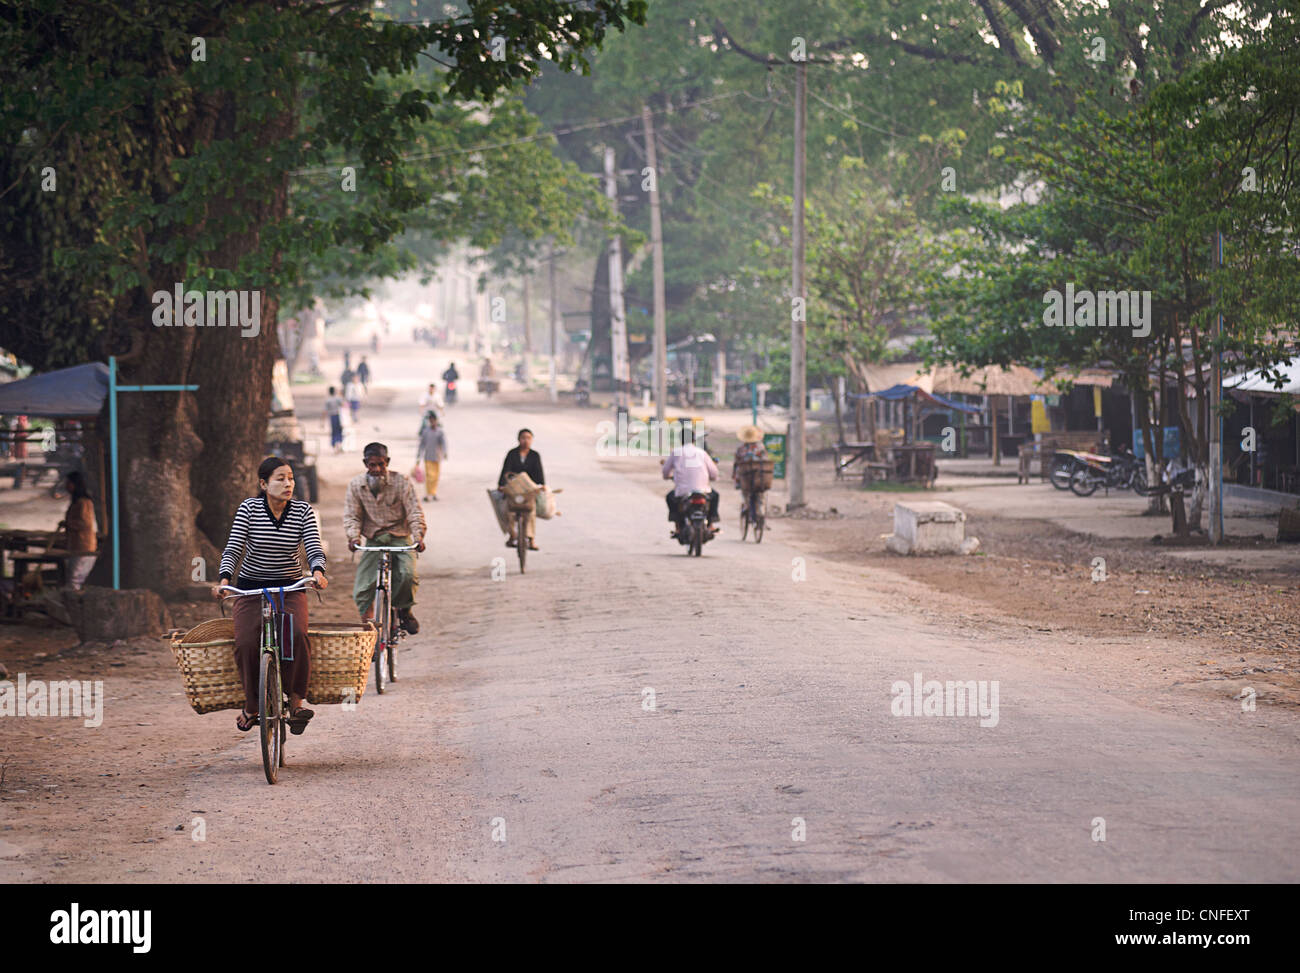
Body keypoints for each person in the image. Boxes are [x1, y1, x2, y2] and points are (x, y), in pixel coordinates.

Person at [214, 457, 328, 735]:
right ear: (263, 484)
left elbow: (313, 546)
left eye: (290, 478)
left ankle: (297, 701)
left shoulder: (303, 511)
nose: (287, 483)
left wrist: (318, 572)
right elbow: (233, 547)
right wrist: (224, 581)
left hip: (289, 587)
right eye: (280, 478)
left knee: (297, 636)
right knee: (245, 644)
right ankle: (252, 706)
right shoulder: (249, 509)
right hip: (251, 588)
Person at [344, 442, 426, 634]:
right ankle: (370, 634)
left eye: (381, 464)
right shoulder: (356, 485)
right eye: (373, 465)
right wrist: (353, 537)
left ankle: (404, 610)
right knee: (362, 589)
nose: (377, 469)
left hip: (400, 537)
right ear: (366, 464)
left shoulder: (402, 482)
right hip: (374, 540)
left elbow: (414, 510)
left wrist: (418, 536)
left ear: (387, 462)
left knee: (407, 575)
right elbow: (352, 516)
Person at [661, 425, 720, 537]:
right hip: (703, 490)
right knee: (715, 496)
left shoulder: (676, 452)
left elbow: (665, 470)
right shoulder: (702, 453)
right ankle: (711, 524)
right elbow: (714, 472)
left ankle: (678, 526)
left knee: (670, 498)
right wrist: (713, 478)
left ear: (680, 440)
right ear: (693, 439)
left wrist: (667, 476)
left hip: (683, 491)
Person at [497, 428, 544, 550]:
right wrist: (501, 485)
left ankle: (531, 539)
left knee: (531, 511)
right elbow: (505, 471)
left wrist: (542, 485)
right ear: (519, 439)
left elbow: (540, 473)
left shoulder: (535, 455)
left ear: (532, 440)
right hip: (514, 489)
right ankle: (512, 536)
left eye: (528, 438)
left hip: (529, 491)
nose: (526, 440)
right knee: (508, 511)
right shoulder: (512, 454)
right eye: (523, 438)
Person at [58, 471, 98, 589]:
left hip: (83, 546)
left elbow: (84, 524)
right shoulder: (76, 502)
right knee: (72, 577)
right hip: (75, 545)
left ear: (75, 484)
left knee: (76, 579)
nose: (66, 486)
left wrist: (68, 524)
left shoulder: (84, 502)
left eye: (68, 483)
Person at [415, 412, 448, 502]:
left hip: (437, 457)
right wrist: (419, 456)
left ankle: (433, 493)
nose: (432, 422)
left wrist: (445, 452)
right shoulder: (425, 431)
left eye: (434, 420)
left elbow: (443, 443)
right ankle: (428, 494)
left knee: (435, 477)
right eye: (431, 420)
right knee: (429, 476)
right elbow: (422, 445)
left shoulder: (440, 432)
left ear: (436, 421)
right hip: (428, 457)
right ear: (429, 421)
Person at [324, 385, 345, 453]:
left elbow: (325, 411)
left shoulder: (328, 400)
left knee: (333, 431)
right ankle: (339, 445)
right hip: (338, 416)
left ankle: (334, 445)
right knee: (339, 430)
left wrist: (322, 421)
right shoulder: (338, 399)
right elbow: (343, 405)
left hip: (331, 417)